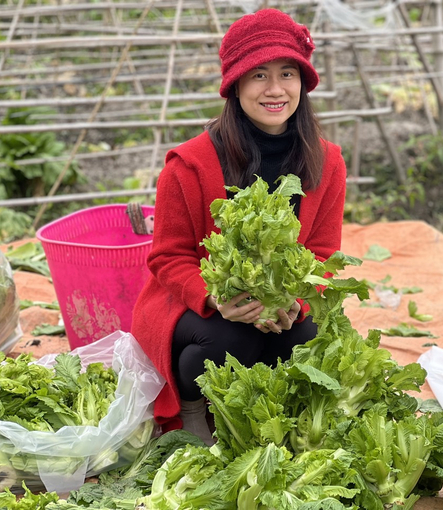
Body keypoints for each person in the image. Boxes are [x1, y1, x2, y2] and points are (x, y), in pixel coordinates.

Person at [131, 8, 347, 445]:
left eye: (287, 73)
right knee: (232, 340)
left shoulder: (327, 160)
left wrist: (295, 302)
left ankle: (261, 418)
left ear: (303, 82)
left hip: (277, 306)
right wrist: (215, 295)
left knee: (304, 338)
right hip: (195, 307)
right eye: (259, 76)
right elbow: (168, 257)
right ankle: (193, 409)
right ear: (236, 85)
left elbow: (323, 255)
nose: (275, 90)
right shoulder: (189, 163)